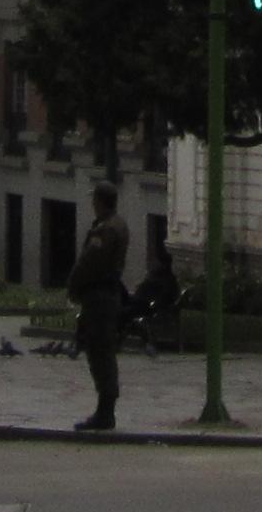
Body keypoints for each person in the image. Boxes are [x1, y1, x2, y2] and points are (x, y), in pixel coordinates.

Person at [68, 183, 130, 434]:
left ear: (100, 201)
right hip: (107, 294)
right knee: (102, 351)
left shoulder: (105, 230)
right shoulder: (119, 224)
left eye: (94, 199)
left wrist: (72, 285)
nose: (92, 204)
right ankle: (105, 409)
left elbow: (88, 263)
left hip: (99, 296)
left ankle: (105, 411)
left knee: (100, 352)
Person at [127, 223, 181, 355]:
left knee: (126, 313)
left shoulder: (164, 280)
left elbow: (164, 298)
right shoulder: (157, 276)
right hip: (142, 303)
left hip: (148, 306)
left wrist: (151, 303)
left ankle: (146, 343)